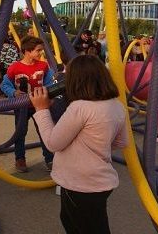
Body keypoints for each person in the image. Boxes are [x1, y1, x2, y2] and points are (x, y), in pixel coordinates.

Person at [29, 55, 128, 233]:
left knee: (77, 226)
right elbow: (121, 141)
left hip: (80, 183)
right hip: (100, 181)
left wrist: (41, 110)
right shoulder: (116, 105)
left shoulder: (80, 107)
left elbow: (52, 144)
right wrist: (92, 145)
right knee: (87, 223)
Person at [0, 36, 54, 172]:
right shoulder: (14, 68)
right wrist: (13, 92)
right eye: (38, 50)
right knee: (20, 133)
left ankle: (50, 159)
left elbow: (49, 83)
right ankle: (20, 159)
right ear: (27, 51)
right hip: (22, 107)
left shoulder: (43, 66)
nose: (41, 53)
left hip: (39, 105)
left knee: (44, 131)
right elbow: (4, 84)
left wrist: (48, 95)